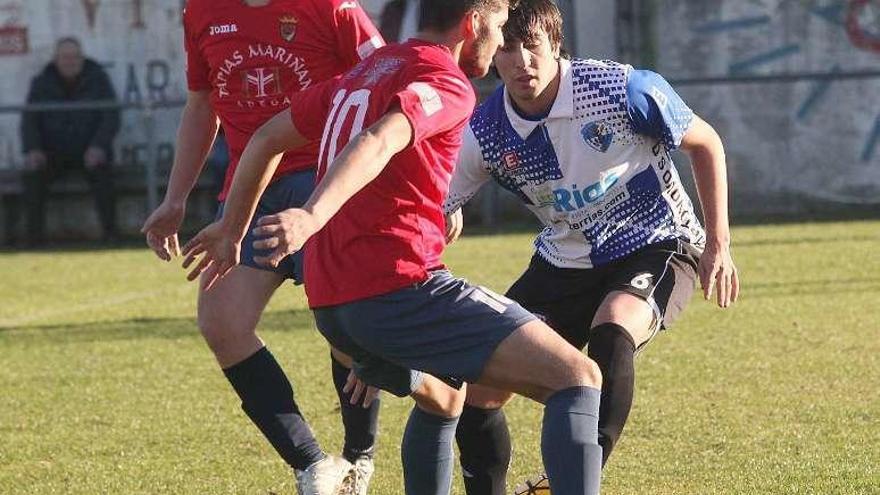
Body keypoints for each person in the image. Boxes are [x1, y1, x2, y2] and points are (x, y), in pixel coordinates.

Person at [181, 1, 608, 494]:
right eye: (497, 26)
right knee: (577, 376)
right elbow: (378, 141)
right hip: (399, 290)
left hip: (333, 305)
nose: (500, 40)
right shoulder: (444, 80)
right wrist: (311, 215)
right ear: (472, 23)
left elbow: (264, 138)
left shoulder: (366, 72)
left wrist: (234, 228)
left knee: (444, 397)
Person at [443, 1, 740, 493]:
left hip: (658, 242)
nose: (522, 62)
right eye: (509, 49)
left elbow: (706, 143)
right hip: (563, 260)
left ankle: (573, 480)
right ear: (493, 53)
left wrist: (719, 245)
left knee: (614, 326)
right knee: (481, 386)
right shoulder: (486, 131)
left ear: (556, 45)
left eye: (533, 46)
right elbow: (432, 206)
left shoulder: (619, 90)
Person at [139, 1, 384, 494]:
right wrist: (176, 199)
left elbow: (385, 83)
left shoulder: (332, 7)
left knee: (341, 324)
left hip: (324, 180)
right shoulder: (200, 11)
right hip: (250, 190)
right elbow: (202, 103)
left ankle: (359, 457)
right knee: (221, 322)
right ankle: (312, 463)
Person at [20, 37, 120, 246]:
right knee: (32, 176)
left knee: (104, 175)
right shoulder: (41, 83)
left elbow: (111, 116)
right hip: (52, 154)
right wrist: (34, 150)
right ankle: (34, 241)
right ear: (56, 59)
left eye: (75, 57)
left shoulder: (98, 80)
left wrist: (99, 146)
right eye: (65, 57)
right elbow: (29, 120)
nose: (70, 61)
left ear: (82, 59)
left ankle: (111, 236)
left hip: (89, 151)